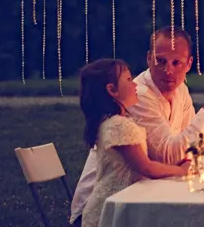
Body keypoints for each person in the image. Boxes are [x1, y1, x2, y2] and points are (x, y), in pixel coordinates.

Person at [71, 28, 204, 224]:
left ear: (189, 64)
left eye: (176, 62)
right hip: (108, 209)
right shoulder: (138, 96)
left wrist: (186, 157)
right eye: (161, 61)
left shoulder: (180, 89)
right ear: (149, 58)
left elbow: (191, 149)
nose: (168, 70)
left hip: (142, 195)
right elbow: (169, 155)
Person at [77, 58, 189, 227]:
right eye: (129, 80)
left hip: (124, 203)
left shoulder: (114, 122)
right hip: (112, 212)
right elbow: (147, 167)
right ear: (112, 90)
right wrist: (181, 170)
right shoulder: (119, 126)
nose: (135, 85)